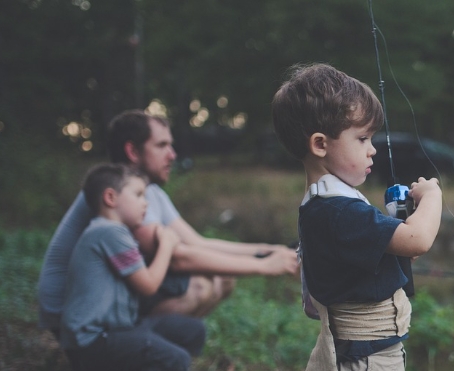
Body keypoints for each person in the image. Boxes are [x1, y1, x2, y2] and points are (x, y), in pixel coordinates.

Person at [271, 63, 442, 371]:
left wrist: (390, 221)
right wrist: (431, 196)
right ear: (321, 144)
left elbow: (382, 248)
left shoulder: (337, 202)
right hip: (361, 358)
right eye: (363, 138)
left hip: (375, 350)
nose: (372, 149)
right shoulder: (335, 209)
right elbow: (417, 241)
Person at [37, 108, 299, 332]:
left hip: (105, 298)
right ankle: (129, 362)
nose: (172, 155)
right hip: (71, 314)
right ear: (132, 151)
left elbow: (196, 242)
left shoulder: (147, 191)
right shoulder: (121, 197)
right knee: (200, 285)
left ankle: (152, 356)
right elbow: (178, 257)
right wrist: (266, 267)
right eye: (161, 145)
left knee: (222, 278)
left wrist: (266, 250)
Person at [60, 163, 206, 371]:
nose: (145, 204)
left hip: (118, 330)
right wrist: (167, 245)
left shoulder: (112, 232)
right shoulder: (109, 232)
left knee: (194, 331)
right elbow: (149, 284)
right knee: (178, 362)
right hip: (92, 343)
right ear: (110, 198)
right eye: (139, 195)